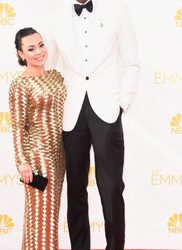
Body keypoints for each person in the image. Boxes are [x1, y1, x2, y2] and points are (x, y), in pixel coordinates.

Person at [44, 0, 140, 249]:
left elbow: (131, 62)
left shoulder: (117, 11)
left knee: (111, 186)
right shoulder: (54, 17)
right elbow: (48, 65)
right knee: (75, 186)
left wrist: (122, 103)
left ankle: (115, 246)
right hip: (71, 110)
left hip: (107, 110)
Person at [9, 27, 67, 250]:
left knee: (45, 215)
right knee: (43, 217)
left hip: (59, 156)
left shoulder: (55, 76)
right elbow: (17, 127)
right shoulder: (20, 85)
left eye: (41, 45)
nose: (39, 51)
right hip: (37, 158)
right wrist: (21, 161)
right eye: (31, 48)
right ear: (21, 55)